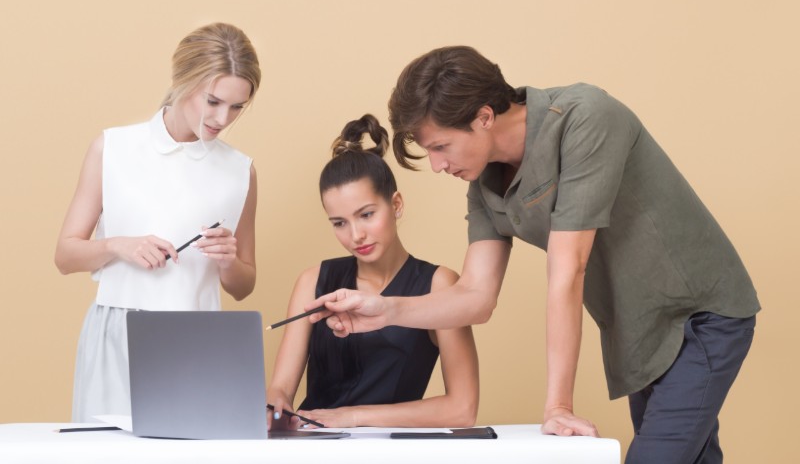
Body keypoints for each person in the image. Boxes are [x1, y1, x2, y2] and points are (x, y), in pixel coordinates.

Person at [308, 46, 760, 462]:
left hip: (698, 316)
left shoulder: (586, 118)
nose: (438, 165)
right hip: (637, 333)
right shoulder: (483, 180)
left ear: (484, 116)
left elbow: (569, 268)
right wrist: (382, 309)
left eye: (440, 146)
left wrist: (557, 406)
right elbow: (476, 297)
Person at [54, 23, 261, 422]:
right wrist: (117, 245)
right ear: (183, 81)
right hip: (116, 332)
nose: (223, 118)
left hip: (199, 340)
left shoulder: (241, 172)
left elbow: (243, 286)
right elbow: (65, 256)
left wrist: (227, 260)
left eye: (237, 107)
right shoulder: (112, 147)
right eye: (214, 101)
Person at [267, 114, 479, 430]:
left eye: (366, 215)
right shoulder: (313, 282)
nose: (356, 235)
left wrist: (352, 417)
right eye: (339, 223)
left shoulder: (439, 285)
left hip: (387, 451)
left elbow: (462, 409)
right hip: (311, 446)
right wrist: (274, 406)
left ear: (396, 205)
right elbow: (280, 389)